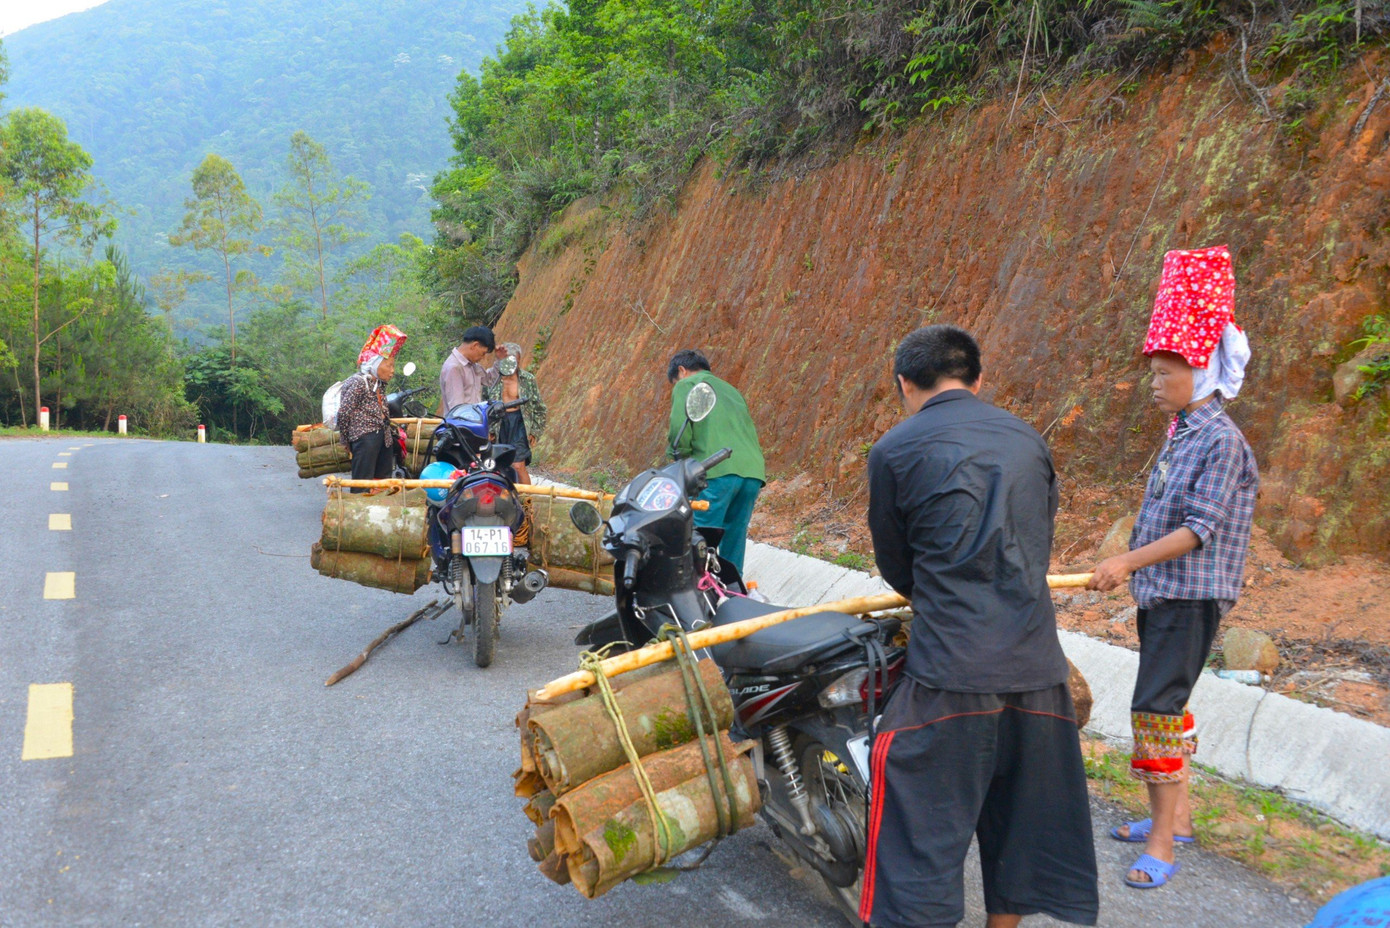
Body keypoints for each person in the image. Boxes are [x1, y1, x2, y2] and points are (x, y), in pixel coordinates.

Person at [861, 325, 1097, 928]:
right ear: (977, 379)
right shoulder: (1028, 439)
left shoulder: (893, 450)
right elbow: (1037, 538)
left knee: (916, 827)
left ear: (905, 384)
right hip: (1038, 669)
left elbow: (896, 562)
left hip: (952, 672)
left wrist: (939, 596)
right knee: (1021, 825)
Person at [1088, 245, 1258, 890]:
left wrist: (1124, 560)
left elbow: (1198, 529)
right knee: (1170, 700)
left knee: (1155, 708)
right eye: (1154, 372)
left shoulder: (1221, 440)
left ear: (1202, 368)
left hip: (1192, 597)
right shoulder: (1184, 430)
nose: (1155, 383)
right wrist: (1136, 567)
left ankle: (1162, 841)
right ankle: (1177, 818)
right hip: (1163, 592)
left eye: (1165, 372)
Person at [666, 349, 765, 573]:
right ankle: (732, 587)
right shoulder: (732, 391)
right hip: (751, 473)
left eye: (675, 382)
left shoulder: (687, 384)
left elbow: (679, 430)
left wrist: (680, 460)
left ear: (682, 371)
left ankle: (698, 585)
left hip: (715, 471)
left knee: (701, 538)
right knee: (734, 538)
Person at [338, 324, 406, 493]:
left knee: (382, 481)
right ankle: (358, 507)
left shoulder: (378, 384)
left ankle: (378, 506)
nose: (392, 371)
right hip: (365, 438)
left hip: (383, 437)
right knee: (362, 482)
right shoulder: (358, 382)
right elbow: (344, 413)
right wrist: (345, 440)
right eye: (388, 365)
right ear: (375, 364)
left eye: (393, 366)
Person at [483, 341, 547, 484]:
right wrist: (488, 429)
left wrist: (535, 431)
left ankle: (527, 498)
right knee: (497, 465)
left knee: (518, 465)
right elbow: (483, 405)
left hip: (519, 423)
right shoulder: (492, 379)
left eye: (516, 362)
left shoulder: (527, 380)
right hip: (499, 423)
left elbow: (540, 407)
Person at [439, 325, 498, 412]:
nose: (483, 358)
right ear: (475, 345)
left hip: (473, 418)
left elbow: (489, 380)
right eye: (483, 353)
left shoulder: (472, 365)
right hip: (463, 420)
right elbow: (457, 409)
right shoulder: (454, 367)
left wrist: (500, 360)